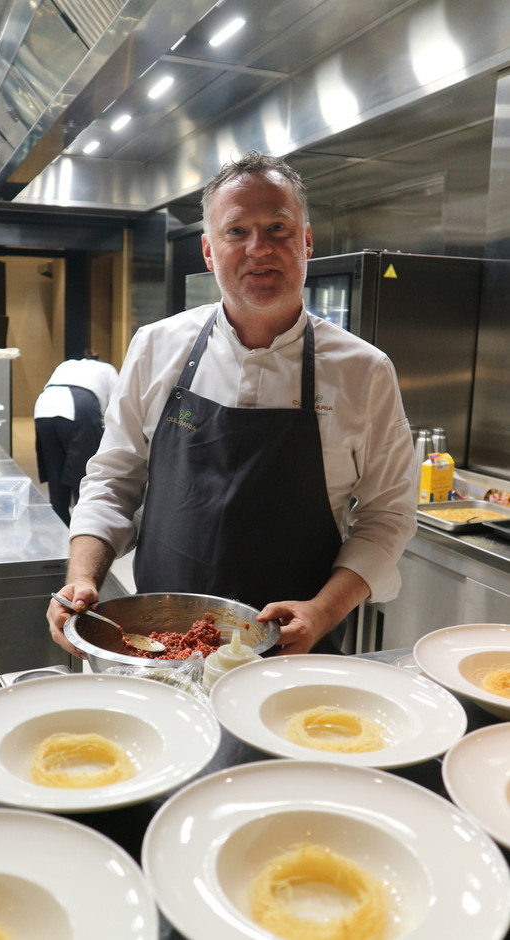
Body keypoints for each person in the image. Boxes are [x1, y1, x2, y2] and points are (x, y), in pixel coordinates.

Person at [47, 151, 417, 657]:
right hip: (160, 645)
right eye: (236, 231)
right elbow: (114, 479)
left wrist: (322, 612)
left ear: (307, 240)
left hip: (297, 651)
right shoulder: (157, 346)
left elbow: (387, 516)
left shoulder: (365, 371)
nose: (258, 248)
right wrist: (82, 578)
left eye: (278, 228)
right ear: (208, 249)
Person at [34, 350, 118, 525]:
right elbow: (117, 405)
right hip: (80, 405)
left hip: (43, 407)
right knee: (84, 474)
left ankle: (59, 526)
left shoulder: (67, 364)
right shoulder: (108, 369)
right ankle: (85, 528)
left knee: (55, 471)